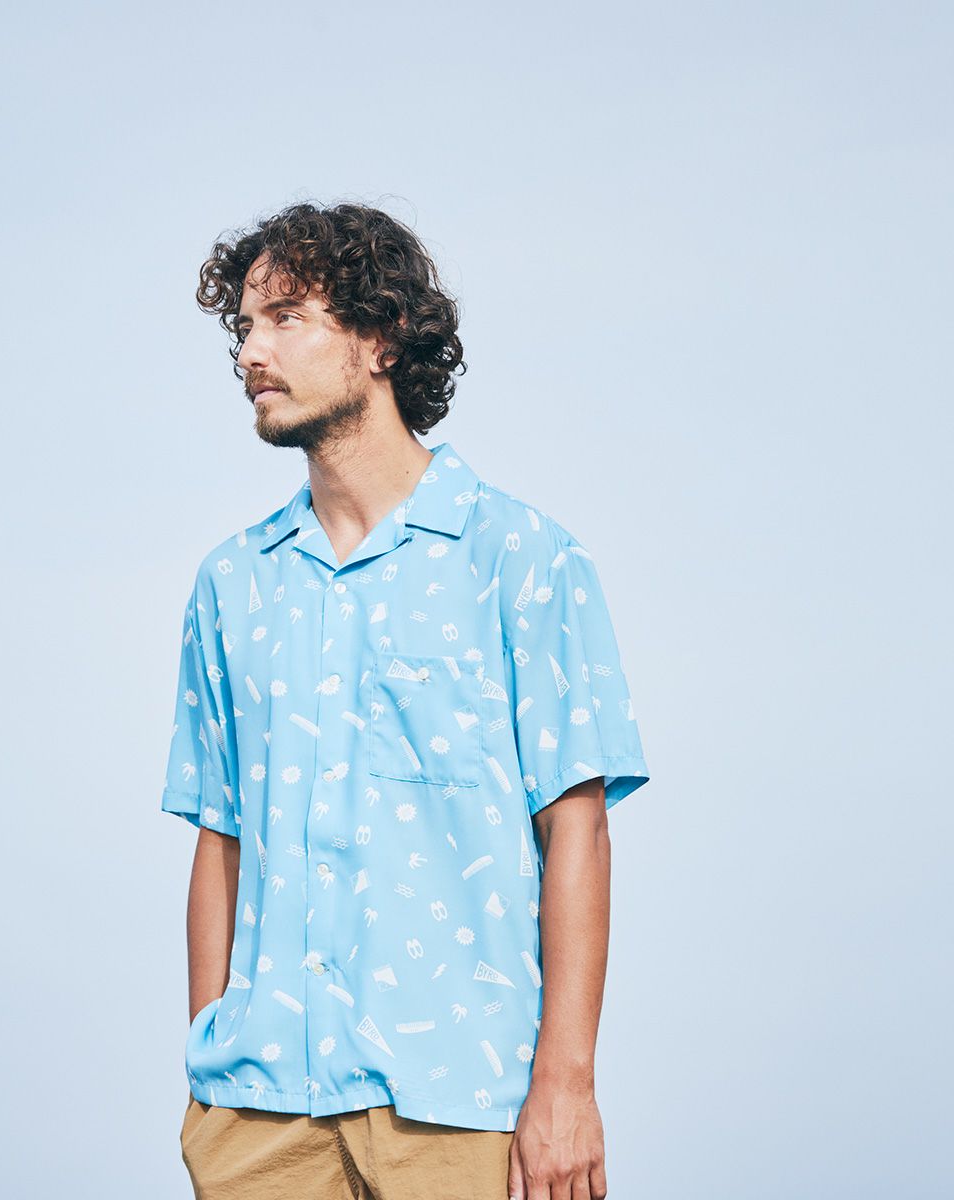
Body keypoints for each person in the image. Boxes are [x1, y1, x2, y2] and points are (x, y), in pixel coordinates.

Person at [160, 200, 650, 1200]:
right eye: (244, 326)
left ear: (380, 338)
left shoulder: (522, 559)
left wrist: (566, 1085)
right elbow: (220, 833)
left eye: (286, 318)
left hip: (462, 1108)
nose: (251, 352)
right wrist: (210, 1058)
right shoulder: (232, 584)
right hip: (257, 1119)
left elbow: (578, 828)